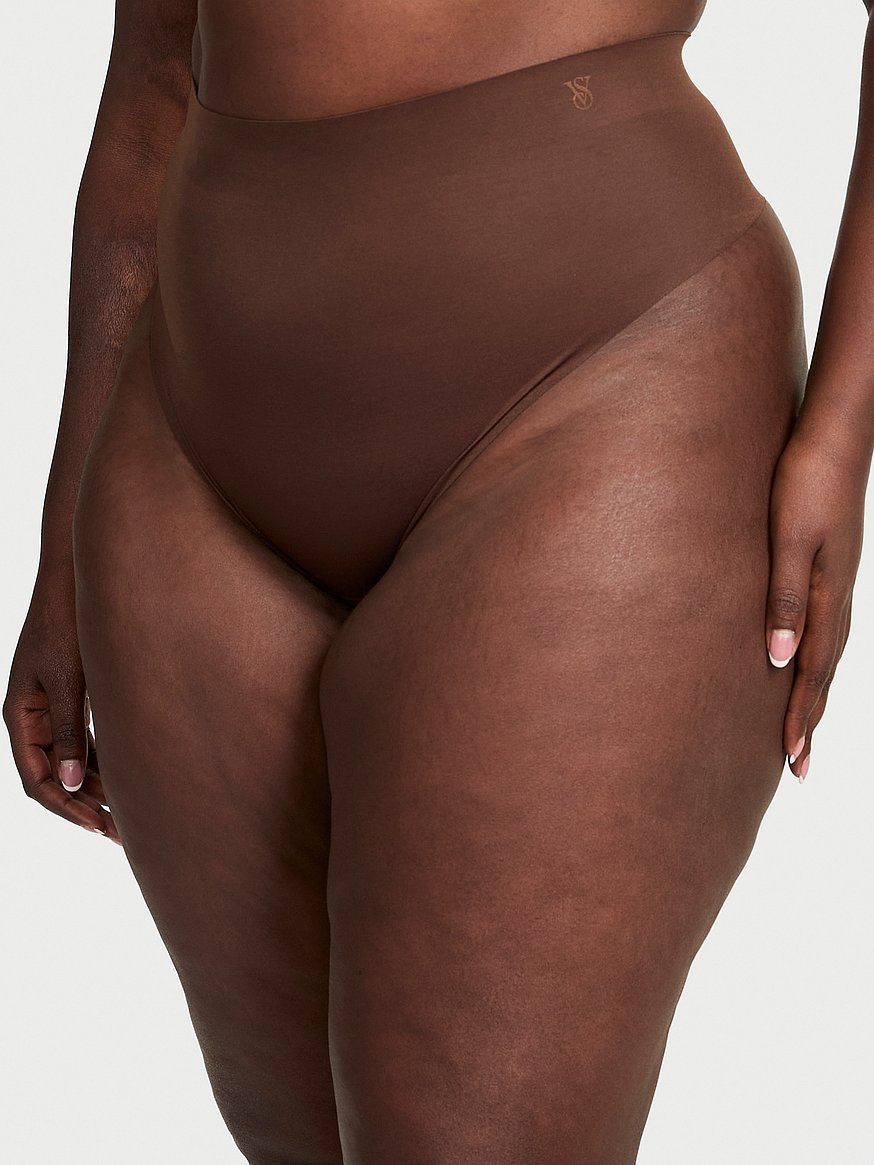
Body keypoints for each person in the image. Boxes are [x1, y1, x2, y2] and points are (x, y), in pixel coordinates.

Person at [4, 1, 871, 1161]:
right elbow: (154, 76)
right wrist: (62, 537)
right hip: (189, 461)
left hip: (602, 393)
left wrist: (843, 431)